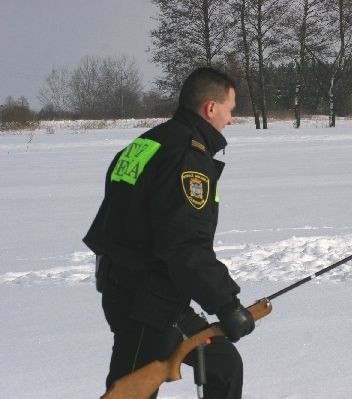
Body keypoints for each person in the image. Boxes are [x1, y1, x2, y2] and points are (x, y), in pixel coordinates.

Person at [83, 67, 255, 399]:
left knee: (223, 363)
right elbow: (185, 246)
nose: (231, 120)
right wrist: (227, 305)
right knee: (130, 391)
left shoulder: (148, 142)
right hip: (145, 302)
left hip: (138, 291)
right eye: (230, 110)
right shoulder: (187, 159)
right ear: (210, 108)